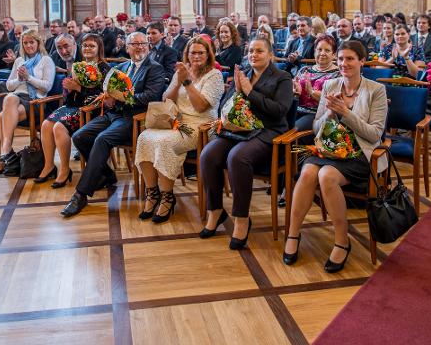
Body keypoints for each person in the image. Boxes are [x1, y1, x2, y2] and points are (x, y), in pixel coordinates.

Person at [283, 40, 388, 271]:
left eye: (350, 59)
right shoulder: (330, 86)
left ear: (362, 61)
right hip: (331, 148)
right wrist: (330, 112)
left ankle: (342, 241)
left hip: (361, 153)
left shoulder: (376, 91)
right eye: (340, 59)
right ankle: (292, 234)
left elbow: (374, 134)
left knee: (327, 176)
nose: (343, 63)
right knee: (309, 171)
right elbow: (317, 126)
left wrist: (346, 113)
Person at [199, 37, 292, 250]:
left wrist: (250, 92)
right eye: (250, 51)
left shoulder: (282, 77)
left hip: (268, 131)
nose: (253, 54)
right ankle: (215, 210)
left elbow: (280, 111)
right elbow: (225, 105)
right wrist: (238, 90)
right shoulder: (244, 75)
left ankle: (242, 218)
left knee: (237, 157)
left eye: (259, 51)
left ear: (270, 54)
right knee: (208, 154)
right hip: (239, 130)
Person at [61, 32, 166, 217]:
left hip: (134, 119)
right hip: (112, 113)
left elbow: (151, 96)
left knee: (102, 140)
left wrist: (120, 98)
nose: (139, 47)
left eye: (143, 43)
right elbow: (108, 88)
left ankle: (81, 194)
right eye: (134, 44)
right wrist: (108, 97)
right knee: (79, 136)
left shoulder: (154, 68)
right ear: (127, 48)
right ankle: (106, 175)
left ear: (148, 47)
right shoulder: (122, 67)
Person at [135, 37, 223, 223]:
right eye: (193, 53)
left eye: (201, 52)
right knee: (144, 137)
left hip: (200, 126)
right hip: (176, 122)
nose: (197, 56)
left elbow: (201, 107)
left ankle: (168, 197)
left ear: (208, 55)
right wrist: (177, 81)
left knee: (164, 142)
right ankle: (153, 193)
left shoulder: (214, 76)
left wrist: (187, 83)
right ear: (187, 55)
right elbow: (167, 99)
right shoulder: (182, 71)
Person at [37, 34, 110, 187]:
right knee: (46, 125)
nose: (87, 49)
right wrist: (69, 90)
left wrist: (78, 88)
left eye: (91, 46)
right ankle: (49, 165)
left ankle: (64, 169)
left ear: (99, 48)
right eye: (85, 46)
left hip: (91, 110)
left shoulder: (104, 67)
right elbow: (68, 99)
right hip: (73, 105)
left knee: (59, 127)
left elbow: (102, 97)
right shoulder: (78, 66)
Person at [0, 31, 55, 176]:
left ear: (38, 43)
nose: (29, 45)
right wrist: (19, 79)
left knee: (1, 115)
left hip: (36, 101)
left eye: (32, 42)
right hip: (17, 99)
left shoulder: (46, 60)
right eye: (25, 43)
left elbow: (47, 86)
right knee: (10, 98)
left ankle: (4, 155)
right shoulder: (19, 60)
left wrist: (28, 77)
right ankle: (6, 152)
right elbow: (9, 85)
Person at [291, 35, 340, 131]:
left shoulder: (338, 74)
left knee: (292, 130)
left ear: (334, 54)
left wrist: (311, 92)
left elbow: (332, 102)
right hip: (295, 110)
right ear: (314, 52)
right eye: (319, 49)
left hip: (317, 115)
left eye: (327, 50)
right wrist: (295, 92)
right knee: (276, 125)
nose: (322, 53)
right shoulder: (304, 69)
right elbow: (294, 94)